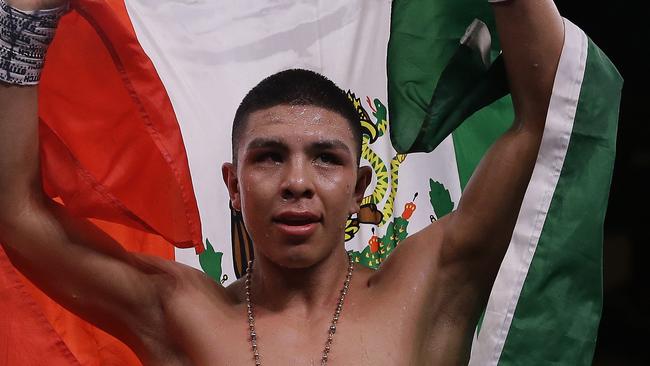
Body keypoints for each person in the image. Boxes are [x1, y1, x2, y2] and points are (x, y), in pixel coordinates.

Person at [0, 0, 565, 364]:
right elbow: (17, 214)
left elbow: (544, 115)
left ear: (362, 185)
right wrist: (22, 19)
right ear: (233, 185)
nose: (297, 182)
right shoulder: (182, 313)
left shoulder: (427, 288)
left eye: (326, 158)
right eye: (269, 157)